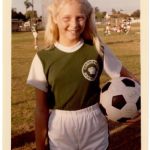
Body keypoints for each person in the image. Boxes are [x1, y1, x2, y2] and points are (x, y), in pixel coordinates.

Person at [27, 0, 140, 149]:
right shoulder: (43, 58)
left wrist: (135, 107)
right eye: (66, 18)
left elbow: (129, 79)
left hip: (94, 123)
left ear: (87, 18)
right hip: (60, 127)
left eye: (80, 17)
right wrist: (40, 146)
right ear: (55, 18)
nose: (74, 24)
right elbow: (41, 109)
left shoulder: (97, 49)